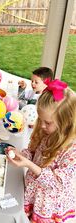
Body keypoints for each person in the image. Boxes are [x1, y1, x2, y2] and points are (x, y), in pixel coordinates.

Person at [6, 79, 76, 222]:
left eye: (48, 122)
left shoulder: (72, 150)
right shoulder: (45, 132)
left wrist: (29, 165)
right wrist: (21, 154)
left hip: (48, 204)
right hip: (35, 193)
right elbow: (32, 152)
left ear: (66, 121)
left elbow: (58, 183)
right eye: (41, 119)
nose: (42, 125)